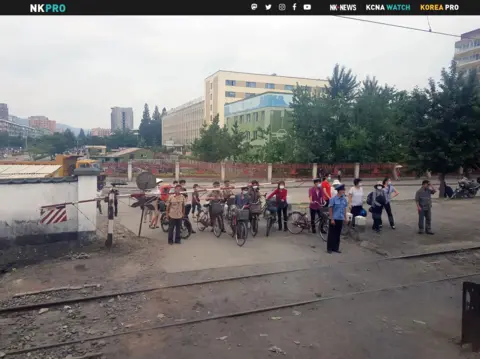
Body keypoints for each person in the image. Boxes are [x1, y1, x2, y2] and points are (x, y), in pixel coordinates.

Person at [327, 184, 348, 254]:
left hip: (340, 219)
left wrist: (345, 218)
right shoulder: (333, 199)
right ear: (339, 191)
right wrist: (332, 219)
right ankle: (329, 248)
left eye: (344, 190)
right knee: (331, 234)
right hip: (334, 219)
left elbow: (345, 209)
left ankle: (336, 248)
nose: (344, 191)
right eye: (342, 190)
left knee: (338, 234)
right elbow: (330, 209)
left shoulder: (344, 199)